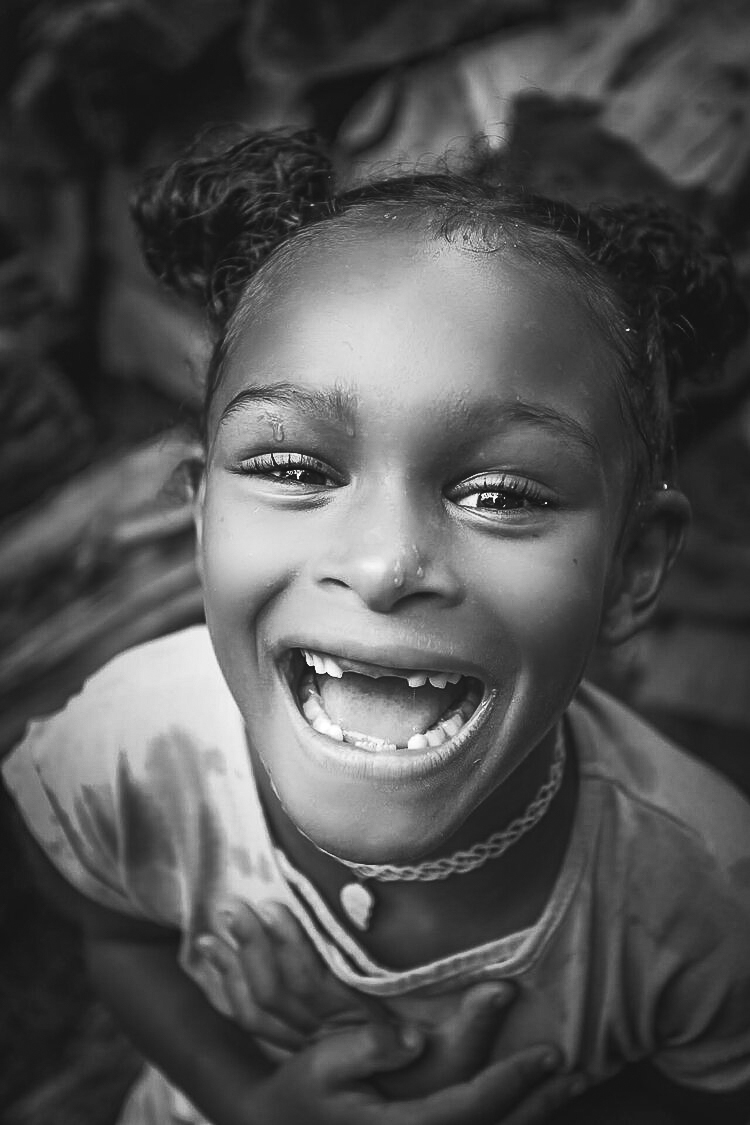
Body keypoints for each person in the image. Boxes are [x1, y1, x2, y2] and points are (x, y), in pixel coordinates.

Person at [4, 128, 750, 1125]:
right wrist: (252, 1103)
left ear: (632, 566)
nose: (383, 562)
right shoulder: (130, 745)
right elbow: (117, 937)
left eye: (501, 492)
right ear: (200, 517)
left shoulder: (708, 900)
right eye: (296, 470)